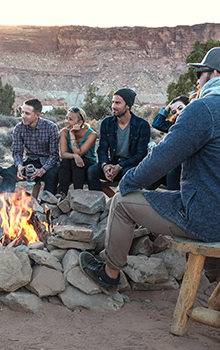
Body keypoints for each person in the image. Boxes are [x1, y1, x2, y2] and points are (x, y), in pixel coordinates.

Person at [79, 47, 220, 295]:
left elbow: (163, 157)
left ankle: (109, 274)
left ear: (214, 74)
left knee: (121, 202)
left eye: (201, 73)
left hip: (207, 217)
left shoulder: (203, 110)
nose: (198, 80)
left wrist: (128, 181)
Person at [87, 88, 150, 191]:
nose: (113, 106)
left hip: (130, 166)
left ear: (128, 105)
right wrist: (105, 166)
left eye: (117, 103)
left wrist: (120, 166)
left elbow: (141, 154)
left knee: (129, 174)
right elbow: (102, 149)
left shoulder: (142, 125)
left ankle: (122, 205)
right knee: (92, 171)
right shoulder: (107, 123)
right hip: (112, 164)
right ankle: (97, 205)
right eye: (113, 102)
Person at [0, 98, 60, 194]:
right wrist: (19, 165)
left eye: (27, 113)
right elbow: (17, 151)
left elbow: (54, 155)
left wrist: (43, 169)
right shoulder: (19, 128)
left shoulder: (51, 128)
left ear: (37, 115)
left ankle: (46, 206)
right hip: (29, 161)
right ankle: (6, 201)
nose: (23, 116)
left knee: (53, 176)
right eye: (22, 112)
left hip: (47, 163)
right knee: (9, 173)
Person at [146, 95, 190, 190]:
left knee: (170, 170)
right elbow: (157, 124)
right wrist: (168, 106)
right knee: (159, 169)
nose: (178, 113)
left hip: (188, 169)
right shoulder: (174, 126)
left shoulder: (198, 124)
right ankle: (140, 192)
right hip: (175, 170)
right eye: (174, 112)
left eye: (180, 108)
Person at [58, 106, 97, 195]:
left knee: (74, 162)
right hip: (71, 164)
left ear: (80, 122)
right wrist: (75, 156)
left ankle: (77, 195)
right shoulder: (64, 132)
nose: (66, 121)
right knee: (66, 161)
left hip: (88, 164)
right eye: (66, 118)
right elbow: (63, 154)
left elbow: (78, 152)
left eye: (70, 119)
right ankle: (62, 194)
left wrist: (72, 134)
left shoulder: (91, 134)